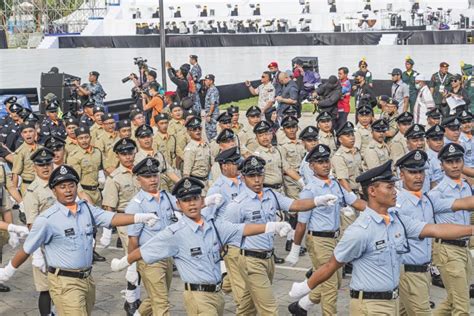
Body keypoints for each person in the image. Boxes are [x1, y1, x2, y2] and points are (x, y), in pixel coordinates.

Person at [288, 159, 474, 315]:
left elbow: (435, 230)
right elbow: (331, 265)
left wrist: (471, 230)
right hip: (370, 306)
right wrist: (305, 286)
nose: (395, 191)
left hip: (391, 301)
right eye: (389, 187)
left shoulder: (396, 221)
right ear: (372, 191)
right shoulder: (361, 230)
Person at [110, 176, 293, 316]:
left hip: (217, 295)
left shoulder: (214, 225)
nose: (191, 204)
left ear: (201, 201)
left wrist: (272, 226)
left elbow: (242, 228)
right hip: (198, 297)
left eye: (195, 198)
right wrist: (124, 264)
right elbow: (145, 249)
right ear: (179, 205)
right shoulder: (175, 233)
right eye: (186, 200)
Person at [0, 165, 159, 316]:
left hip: (87, 279)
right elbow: (26, 249)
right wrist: (8, 271)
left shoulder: (86, 209)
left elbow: (111, 217)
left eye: (71, 185)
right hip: (64, 282)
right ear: (53, 190)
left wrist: (139, 217)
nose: (68, 190)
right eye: (62, 187)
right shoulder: (47, 219)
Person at [224, 155, 338, 315]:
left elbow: (294, 204)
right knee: (269, 309)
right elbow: (227, 232)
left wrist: (317, 201)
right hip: (250, 260)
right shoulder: (237, 205)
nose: (256, 180)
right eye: (251, 176)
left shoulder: (271, 195)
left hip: (268, 258)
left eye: (259, 175)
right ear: (242, 178)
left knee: (247, 308)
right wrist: (270, 226)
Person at [286, 144, 366, 315]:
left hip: (336, 238)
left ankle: (301, 306)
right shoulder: (310, 191)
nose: (325, 165)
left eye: (326, 161)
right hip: (319, 240)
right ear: (311, 166)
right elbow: (301, 224)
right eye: (320, 162)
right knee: (330, 287)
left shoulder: (335, 184)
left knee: (333, 282)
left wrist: (382, 209)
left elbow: (356, 202)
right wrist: (295, 248)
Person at [125, 157, 177, 316]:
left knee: (157, 297)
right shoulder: (136, 204)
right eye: (147, 177)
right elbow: (133, 239)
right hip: (149, 260)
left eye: (155, 175)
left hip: (167, 257)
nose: (153, 180)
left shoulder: (166, 197)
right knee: (161, 303)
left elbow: (184, 207)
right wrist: (132, 266)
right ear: (138, 179)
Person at [428, 143, 474, 314]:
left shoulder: (466, 186)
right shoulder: (437, 193)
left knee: (453, 300)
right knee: (462, 307)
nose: (455, 165)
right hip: (448, 249)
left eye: (458, 160)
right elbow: (465, 204)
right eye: (449, 162)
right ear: (441, 165)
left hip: (463, 248)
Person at [22, 148, 56, 316]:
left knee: (64, 286)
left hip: (63, 242)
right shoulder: (32, 191)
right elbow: (32, 225)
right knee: (46, 288)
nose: (45, 167)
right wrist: (36, 253)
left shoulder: (59, 184)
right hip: (44, 245)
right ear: (34, 167)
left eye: (48, 163)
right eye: (40, 164)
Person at [182, 117, 211, 191]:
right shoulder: (190, 149)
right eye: (194, 129)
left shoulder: (205, 145)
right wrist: (187, 188)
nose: (198, 131)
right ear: (189, 132)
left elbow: (210, 164)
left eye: (199, 128)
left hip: (207, 181)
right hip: (196, 183)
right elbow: (186, 173)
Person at [11, 120, 40, 195]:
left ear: (35, 133)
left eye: (31, 131)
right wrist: (15, 192)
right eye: (25, 132)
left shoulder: (41, 149)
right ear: (22, 135)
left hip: (41, 185)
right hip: (28, 187)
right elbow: (15, 173)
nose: (28, 134)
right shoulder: (20, 152)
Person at [203, 74, 220, 141]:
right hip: (210, 113)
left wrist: (209, 114)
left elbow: (212, 104)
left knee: (211, 133)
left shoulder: (213, 90)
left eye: (206, 80)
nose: (205, 82)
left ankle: (214, 148)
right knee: (208, 131)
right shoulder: (210, 89)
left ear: (211, 81)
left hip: (212, 115)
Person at [335, 67, 351, 131]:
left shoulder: (347, 83)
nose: (338, 75)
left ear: (346, 74)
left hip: (344, 108)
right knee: (336, 127)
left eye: (340, 74)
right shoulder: (339, 82)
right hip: (338, 108)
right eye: (338, 73)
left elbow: (338, 92)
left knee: (341, 128)